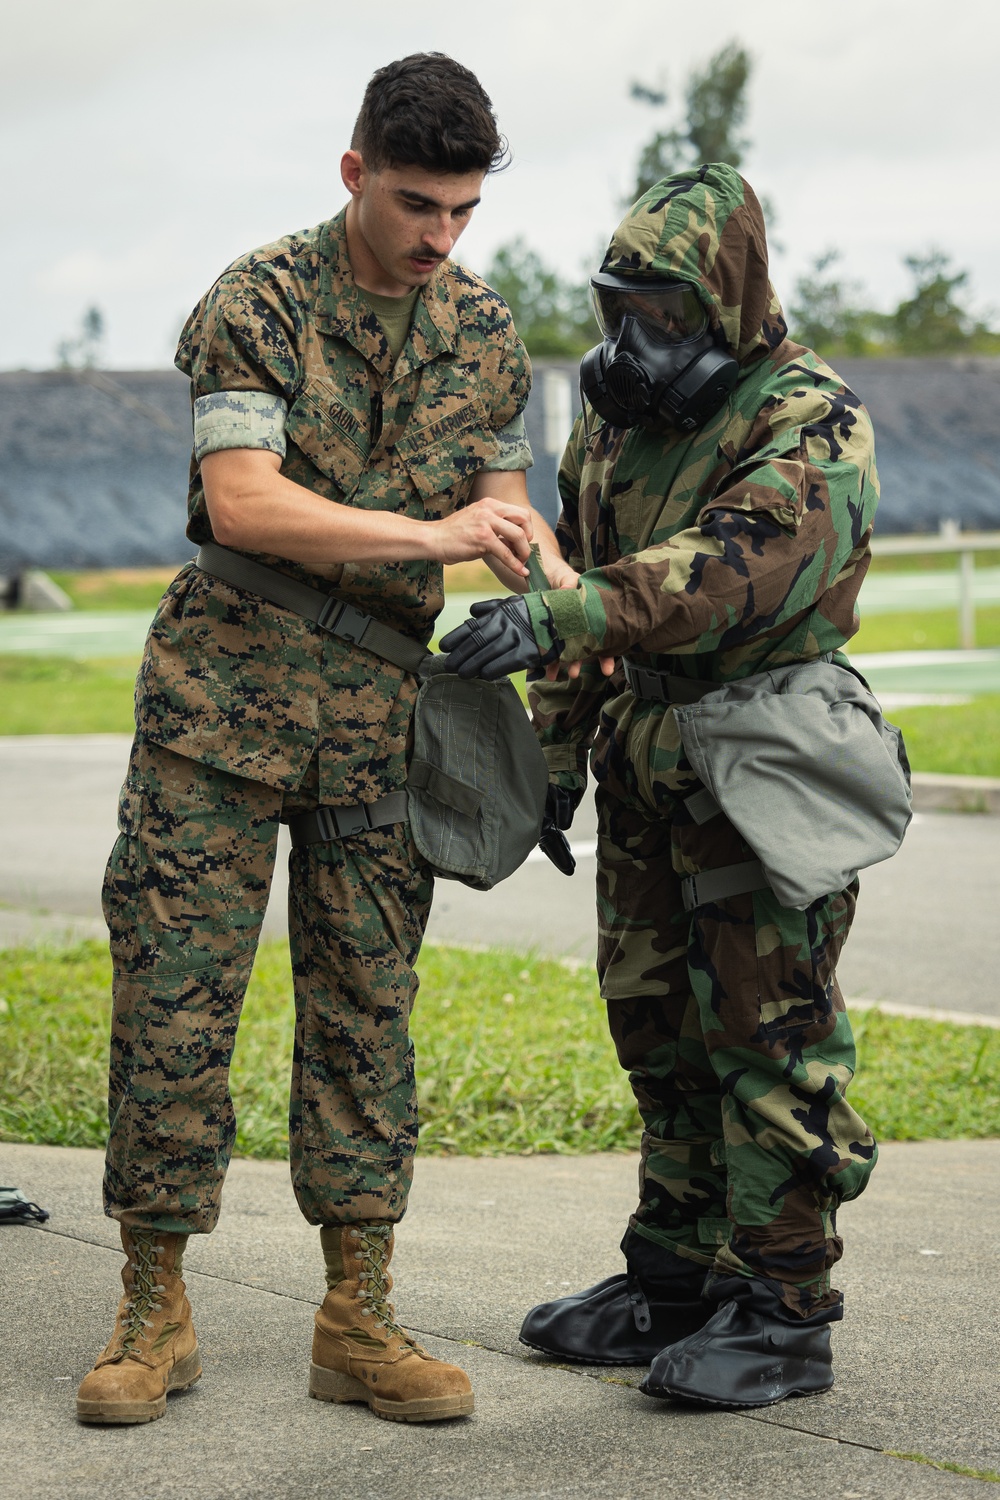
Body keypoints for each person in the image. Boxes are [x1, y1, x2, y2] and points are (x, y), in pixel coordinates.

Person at [76, 52, 574, 1429]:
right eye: (416, 203)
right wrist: (430, 538)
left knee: (367, 1016)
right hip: (219, 714)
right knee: (175, 1011)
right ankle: (152, 1308)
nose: (438, 237)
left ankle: (358, 1317)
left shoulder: (482, 329)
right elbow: (243, 504)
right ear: (355, 172)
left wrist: (554, 596)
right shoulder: (260, 300)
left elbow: (505, 512)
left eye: (462, 211)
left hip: (375, 732)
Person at [440, 163, 881, 1409]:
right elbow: (587, 586)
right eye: (617, 307)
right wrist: (552, 762)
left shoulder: (810, 419)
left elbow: (726, 569)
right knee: (660, 1034)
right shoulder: (618, 421)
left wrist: (566, 609)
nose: (633, 341)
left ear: (729, 304)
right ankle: (676, 1282)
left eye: (667, 315)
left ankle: (786, 1308)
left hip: (765, 761)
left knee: (768, 1041)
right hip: (651, 763)